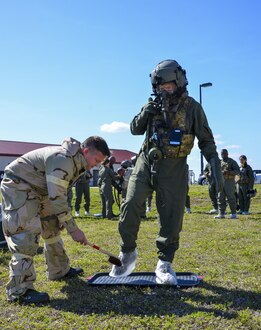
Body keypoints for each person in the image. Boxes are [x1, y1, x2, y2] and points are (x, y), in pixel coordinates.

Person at [109, 59, 222, 284]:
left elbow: (206, 140)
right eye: (160, 87)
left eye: (168, 86)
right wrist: (145, 113)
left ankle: (165, 261)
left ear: (178, 82)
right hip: (145, 163)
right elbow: (134, 129)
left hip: (174, 167)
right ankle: (128, 252)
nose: (163, 90)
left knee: (171, 216)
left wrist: (214, 162)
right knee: (130, 204)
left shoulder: (192, 108)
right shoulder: (151, 105)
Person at [1, 136, 110, 304]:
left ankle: (59, 270)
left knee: (52, 227)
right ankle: (19, 291)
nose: (96, 165)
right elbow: (58, 197)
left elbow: (59, 195)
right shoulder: (63, 158)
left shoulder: (77, 162)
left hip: (41, 190)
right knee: (26, 233)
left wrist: (62, 219)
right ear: (86, 151)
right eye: (96, 160)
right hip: (19, 185)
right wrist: (73, 229)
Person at [215, 149, 240, 219]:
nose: (223, 155)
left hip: (229, 181)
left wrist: (229, 172)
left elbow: (237, 171)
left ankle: (233, 213)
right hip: (221, 181)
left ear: (227, 154)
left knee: (231, 197)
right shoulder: (219, 162)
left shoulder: (232, 161)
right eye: (222, 154)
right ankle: (221, 213)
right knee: (220, 197)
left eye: (225, 153)